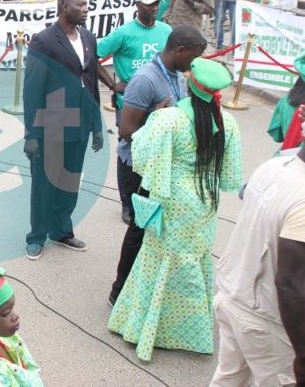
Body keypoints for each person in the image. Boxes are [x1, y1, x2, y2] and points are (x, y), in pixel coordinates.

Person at [108, 59, 242, 361]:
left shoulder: (169, 119)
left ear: (190, 85)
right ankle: (190, 329)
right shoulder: (228, 122)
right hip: (205, 201)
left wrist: (152, 119)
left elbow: (141, 156)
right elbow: (231, 176)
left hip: (173, 200)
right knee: (193, 259)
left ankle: (149, 327)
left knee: (159, 260)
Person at [108, 25, 207, 305]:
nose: (194, 64)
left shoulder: (176, 74)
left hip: (161, 165)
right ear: (179, 51)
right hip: (138, 167)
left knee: (155, 230)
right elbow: (127, 130)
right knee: (139, 229)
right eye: (193, 57)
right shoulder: (145, 80)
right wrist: (155, 116)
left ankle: (141, 289)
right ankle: (118, 291)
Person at [210, 135, 305, 387]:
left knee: (229, 379)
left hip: (232, 296)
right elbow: (289, 284)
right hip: (266, 321)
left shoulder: (273, 167)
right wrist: (303, 357)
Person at [23, 0, 103, 260]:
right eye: (80, 5)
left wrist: (97, 125)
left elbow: (91, 83)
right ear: (63, 7)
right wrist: (31, 134)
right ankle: (37, 236)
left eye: (86, 4)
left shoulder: (89, 38)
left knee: (69, 181)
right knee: (45, 183)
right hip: (50, 125)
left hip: (79, 123)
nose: (85, 9)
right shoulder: (43, 41)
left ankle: (61, 231)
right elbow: (31, 91)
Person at [96, 0, 171, 221]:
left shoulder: (167, 30)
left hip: (161, 102)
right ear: (138, 6)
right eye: (149, 4)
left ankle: (150, 198)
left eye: (157, 3)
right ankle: (127, 203)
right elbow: (93, 55)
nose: (155, 8)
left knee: (158, 150)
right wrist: (112, 84)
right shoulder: (123, 33)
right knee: (129, 151)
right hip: (131, 103)